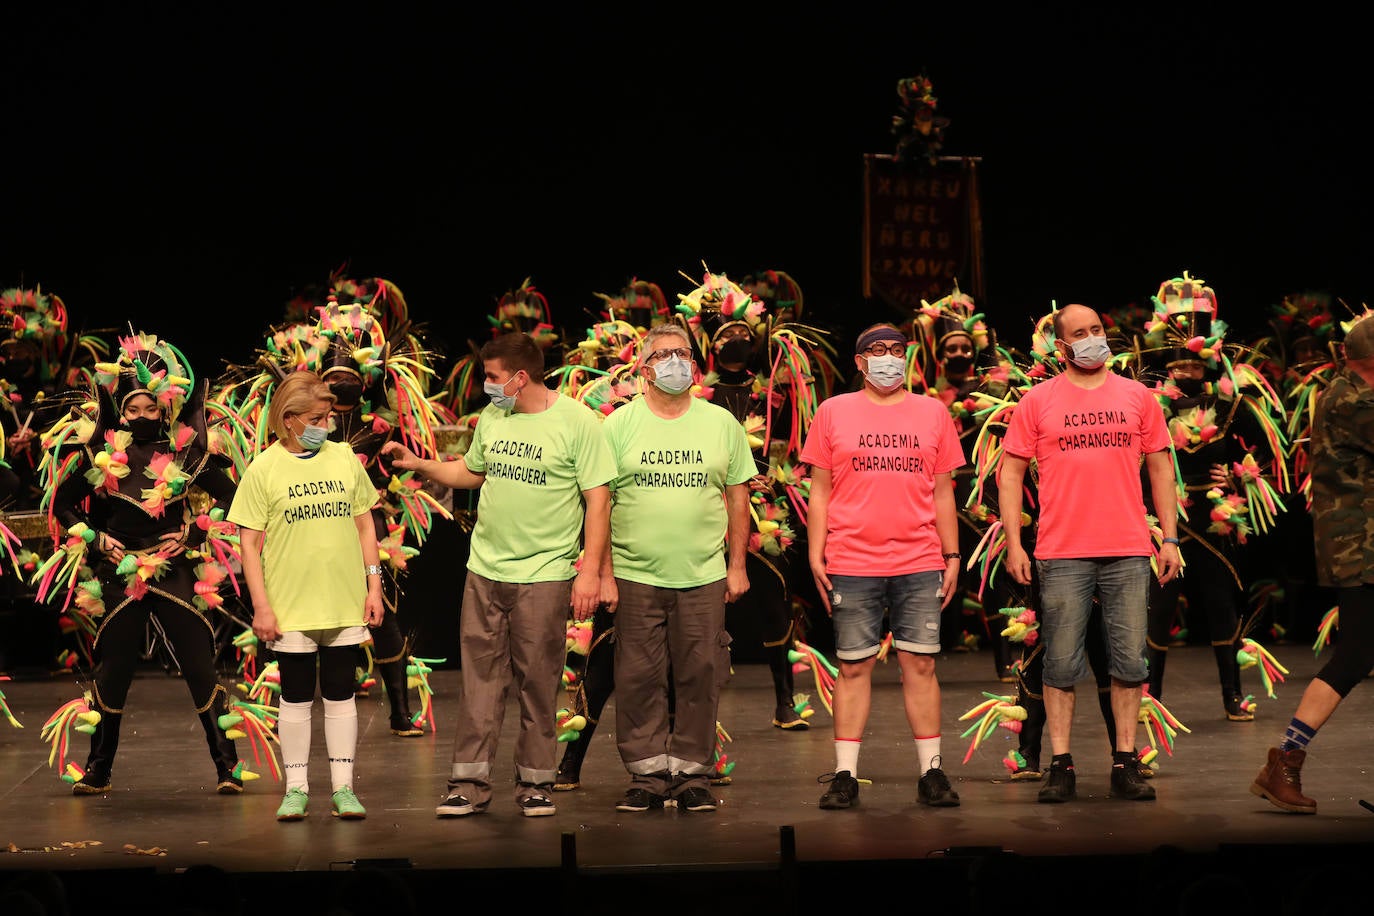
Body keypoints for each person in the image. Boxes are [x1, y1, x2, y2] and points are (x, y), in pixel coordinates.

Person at [381, 330, 613, 818]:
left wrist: (590, 571)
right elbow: (471, 472)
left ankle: (535, 785)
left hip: (545, 572)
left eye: (492, 377)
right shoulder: (494, 415)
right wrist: (419, 463)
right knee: (480, 682)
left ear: (520, 377)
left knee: (537, 680)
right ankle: (468, 783)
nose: (485, 385)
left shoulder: (577, 423)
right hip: (484, 569)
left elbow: (598, 501)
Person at [44, 332, 245, 796]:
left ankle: (227, 767)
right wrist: (97, 540)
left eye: (148, 409)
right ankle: (98, 770)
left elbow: (233, 497)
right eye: (131, 410)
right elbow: (63, 503)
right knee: (112, 672)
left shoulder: (186, 452)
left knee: (200, 666)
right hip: (119, 570)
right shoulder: (101, 453)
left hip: (172, 567)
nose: (139, 417)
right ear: (120, 409)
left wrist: (193, 532)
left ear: (164, 409)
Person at [998, 303, 1181, 803]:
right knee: (1059, 664)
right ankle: (1061, 764)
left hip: (1126, 549)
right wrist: (1015, 542)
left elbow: (1162, 469)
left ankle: (1124, 761)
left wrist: (1169, 537)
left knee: (1128, 663)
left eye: (1097, 329)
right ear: (1062, 347)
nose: (1092, 338)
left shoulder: (1137, 396)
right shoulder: (1038, 401)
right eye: (1080, 333)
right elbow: (1009, 473)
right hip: (1061, 553)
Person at [802, 321, 965, 810]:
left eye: (896, 349)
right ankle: (845, 775)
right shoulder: (833, 412)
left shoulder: (932, 413)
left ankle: (932, 772)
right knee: (853, 667)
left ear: (908, 355)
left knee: (920, 663)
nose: (887, 357)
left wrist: (952, 554)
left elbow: (942, 492)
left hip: (918, 558)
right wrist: (816, 552)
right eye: (876, 350)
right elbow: (820, 489)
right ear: (859, 361)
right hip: (852, 558)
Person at [601, 321, 753, 813]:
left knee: (700, 673)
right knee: (637, 677)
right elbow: (599, 502)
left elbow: (738, 496)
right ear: (644, 370)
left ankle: (691, 774)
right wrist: (602, 571)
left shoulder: (720, 423)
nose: (675, 362)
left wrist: (737, 566)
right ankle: (646, 774)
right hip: (635, 573)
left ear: (694, 364)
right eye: (663, 355)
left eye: (683, 353)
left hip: (703, 574)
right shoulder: (619, 425)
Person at [229, 371, 385, 821]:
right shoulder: (264, 469)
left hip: (343, 599)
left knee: (341, 693)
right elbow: (249, 545)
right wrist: (261, 605)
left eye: (330, 417)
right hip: (290, 605)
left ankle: (343, 789)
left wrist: (374, 585)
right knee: (295, 696)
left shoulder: (343, 460)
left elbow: (364, 526)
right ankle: (295, 788)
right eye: (317, 418)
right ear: (290, 419)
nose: (327, 425)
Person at [1249, 312, 1374, 814]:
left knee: (1359, 653)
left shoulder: (1351, 390)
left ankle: (1286, 760)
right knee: (1356, 654)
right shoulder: (1354, 401)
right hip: (1362, 546)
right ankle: (1285, 760)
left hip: (1362, 543)